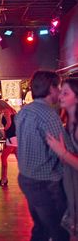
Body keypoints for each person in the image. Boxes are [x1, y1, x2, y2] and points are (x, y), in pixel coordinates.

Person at [15, 70, 70, 241]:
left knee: (41, 228)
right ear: (51, 88)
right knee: (59, 231)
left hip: (27, 177)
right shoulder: (49, 115)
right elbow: (63, 152)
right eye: (59, 87)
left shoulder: (25, 111)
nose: (60, 92)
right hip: (45, 182)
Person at [46, 78, 78, 239]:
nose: (60, 96)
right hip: (69, 186)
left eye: (66, 93)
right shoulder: (66, 124)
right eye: (61, 92)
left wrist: (62, 152)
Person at [0, 100, 17, 187]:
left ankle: (4, 179)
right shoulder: (12, 111)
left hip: (11, 137)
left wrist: (3, 131)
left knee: (3, 157)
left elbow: (8, 123)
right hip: (15, 136)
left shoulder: (6, 111)